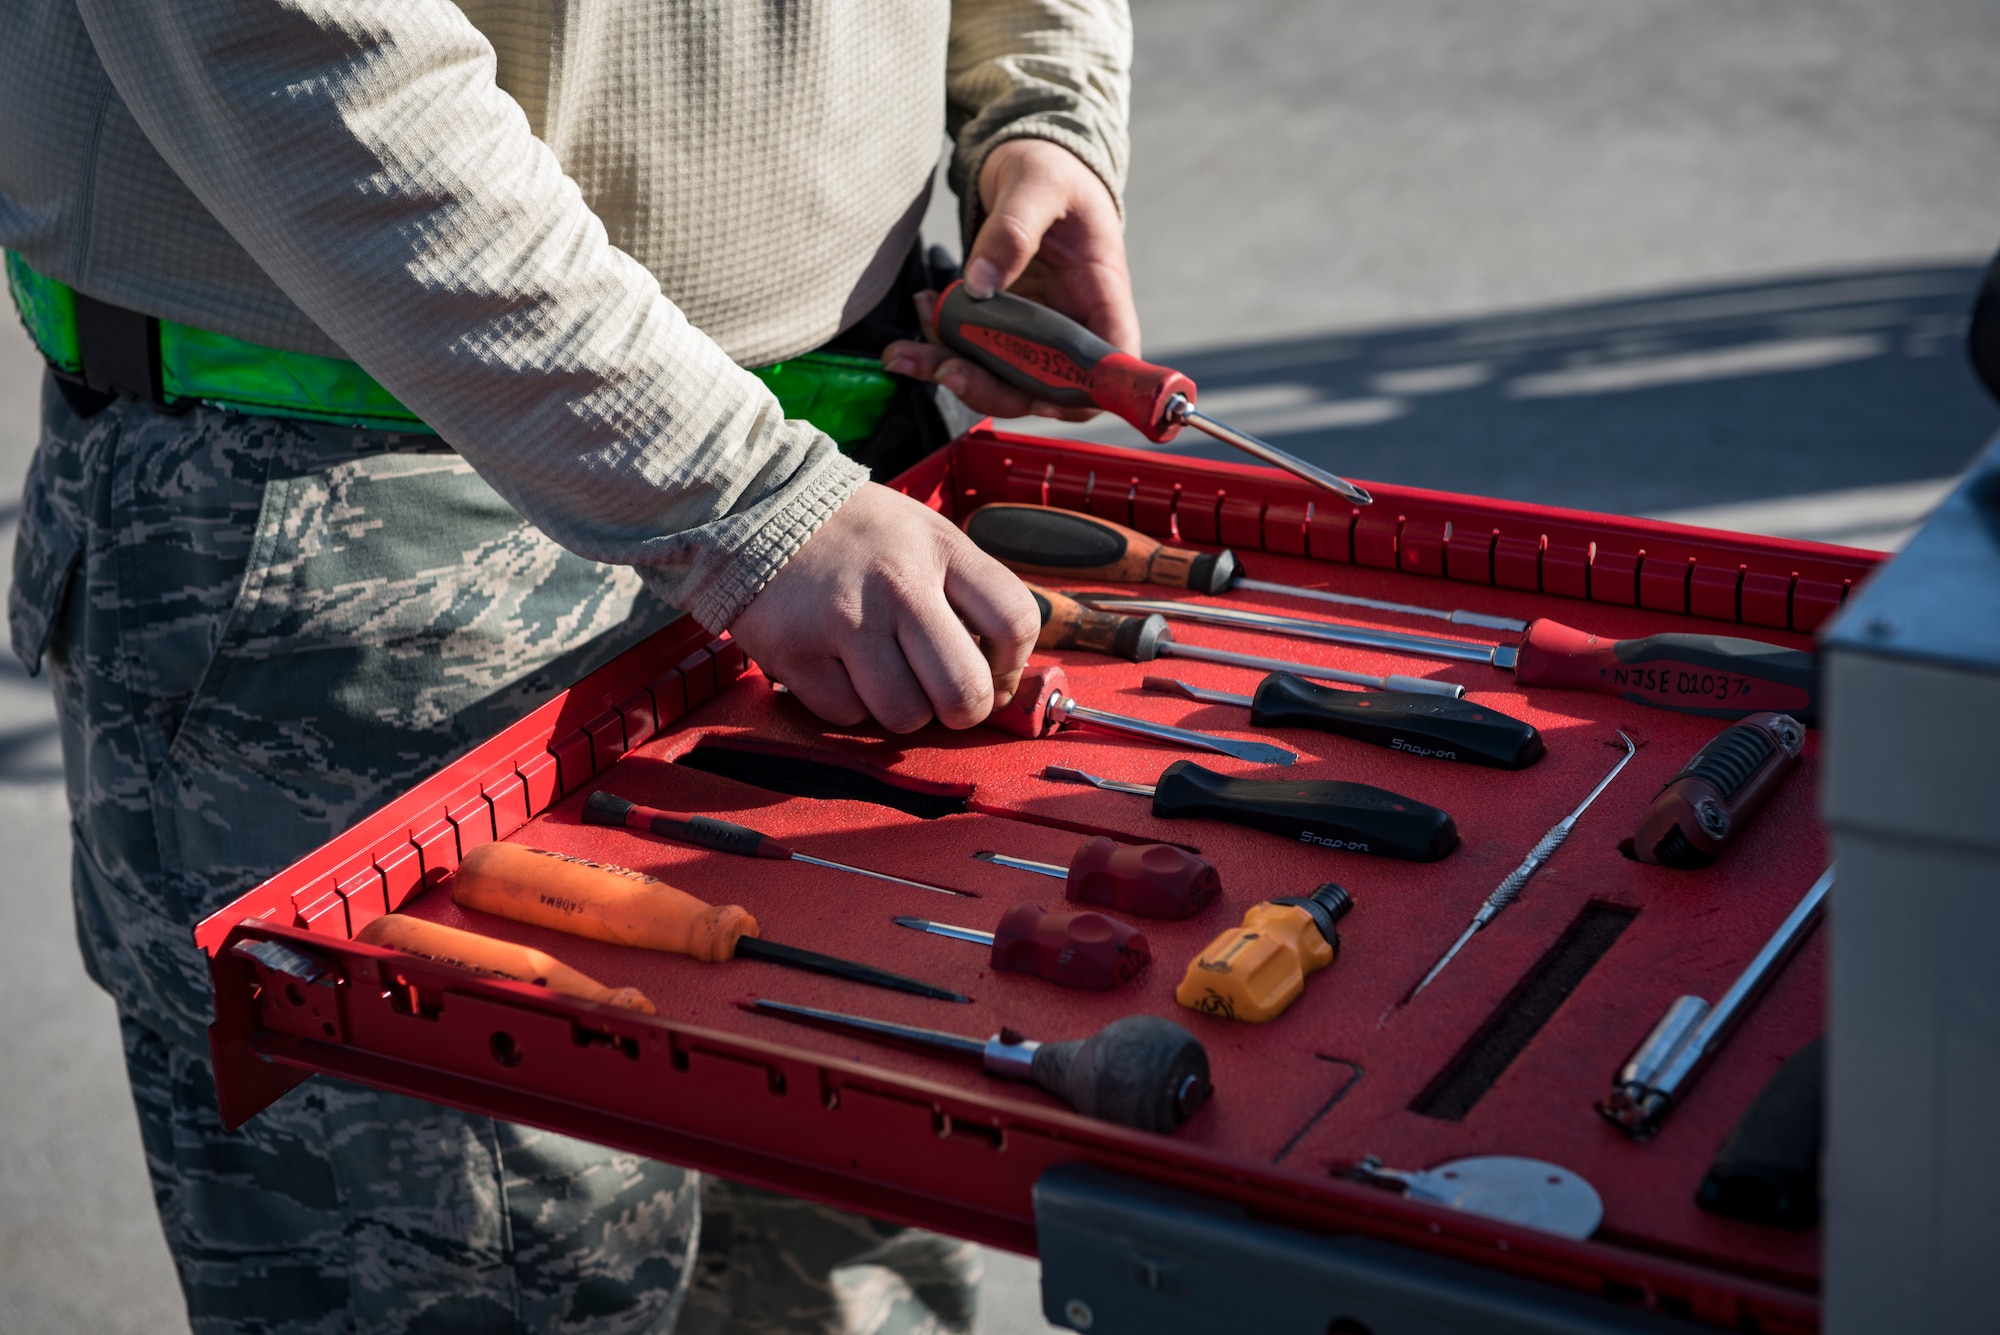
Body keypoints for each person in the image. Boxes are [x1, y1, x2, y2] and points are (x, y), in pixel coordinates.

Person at [0, 1, 1137, 1330]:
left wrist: (1044, 109)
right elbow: (286, 44)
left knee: (840, 1283)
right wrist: (742, 498)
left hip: (845, 485)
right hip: (377, 528)